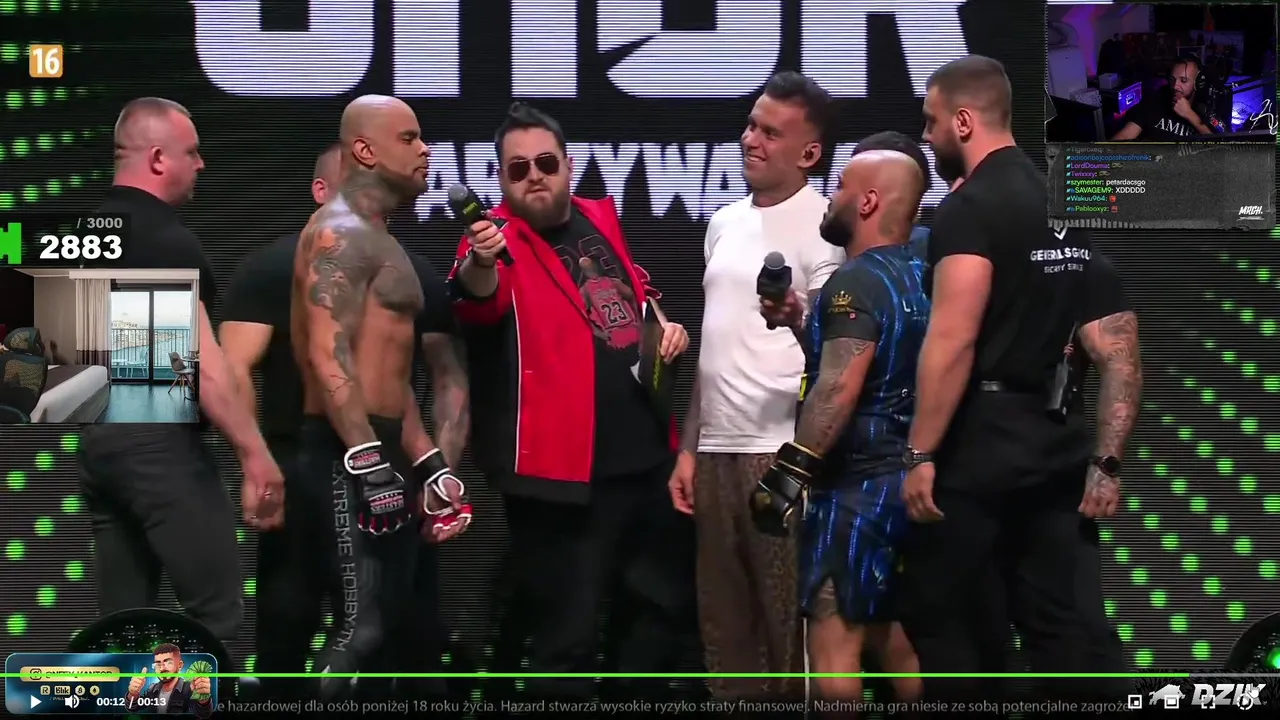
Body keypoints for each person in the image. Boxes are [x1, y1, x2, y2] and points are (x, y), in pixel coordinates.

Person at [899, 55, 1140, 702]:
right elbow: (1117, 347)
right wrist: (1106, 463)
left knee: (955, 633)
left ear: (963, 122)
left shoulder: (968, 209)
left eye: (931, 122)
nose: (927, 137)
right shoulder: (1062, 203)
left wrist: (920, 452)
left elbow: (953, 339)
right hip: (1056, 449)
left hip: (979, 453)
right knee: (1070, 636)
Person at [449, 102, 692, 702]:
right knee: (567, 638)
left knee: (656, 619)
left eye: (546, 162)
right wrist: (481, 258)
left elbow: (633, 291)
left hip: (646, 463)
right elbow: (477, 298)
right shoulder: (493, 241)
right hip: (562, 481)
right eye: (518, 168)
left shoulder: (597, 217)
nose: (534, 175)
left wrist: (664, 325)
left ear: (568, 165)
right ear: (501, 180)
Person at [219, 142, 469, 699]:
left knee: (380, 633)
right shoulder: (275, 267)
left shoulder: (411, 275)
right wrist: (256, 463)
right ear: (321, 191)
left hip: (384, 468)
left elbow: (420, 385)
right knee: (295, 628)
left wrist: (436, 475)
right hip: (304, 466)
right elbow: (233, 368)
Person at [78, 97, 284, 652]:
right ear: (158, 158)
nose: (201, 164)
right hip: (160, 447)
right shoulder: (165, 240)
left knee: (122, 631)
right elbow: (202, 369)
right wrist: (254, 454)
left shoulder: (82, 234)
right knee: (216, 616)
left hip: (100, 448)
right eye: (192, 152)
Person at [665, 71, 840, 700]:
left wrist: (796, 316)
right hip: (715, 451)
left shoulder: (828, 224)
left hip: (782, 453)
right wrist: (691, 447)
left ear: (809, 153)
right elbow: (715, 344)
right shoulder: (722, 222)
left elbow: (837, 353)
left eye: (770, 132)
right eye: (750, 125)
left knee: (785, 631)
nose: (750, 139)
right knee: (725, 631)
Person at [292, 95, 470, 698]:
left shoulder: (381, 239)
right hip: (345, 452)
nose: (426, 150)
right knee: (359, 631)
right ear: (365, 150)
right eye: (410, 138)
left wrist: (430, 464)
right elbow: (327, 353)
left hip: (381, 446)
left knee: (393, 627)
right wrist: (367, 462)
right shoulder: (338, 232)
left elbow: (388, 378)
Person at [757, 150, 928, 706]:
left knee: (834, 649)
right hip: (907, 482)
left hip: (854, 491)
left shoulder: (854, 278)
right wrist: (803, 321)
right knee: (890, 638)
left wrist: (786, 476)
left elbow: (838, 388)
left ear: (869, 201)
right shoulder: (924, 274)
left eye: (840, 187)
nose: (830, 198)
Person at [1110, 56, 1220, 140]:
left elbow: (1218, 146)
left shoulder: (1205, 109)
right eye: (1172, 79)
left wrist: (1189, 114)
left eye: (1183, 80)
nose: (1175, 86)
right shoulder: (1154, 101)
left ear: (1198, 83)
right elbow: (1125, 135)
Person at [125, 643, 214, 717]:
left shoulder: (189, 688)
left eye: (168, 663)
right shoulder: (152, 689)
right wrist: (133, 694)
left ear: (180, 665)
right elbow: (132, 708)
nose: (162, 668)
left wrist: (203, 699)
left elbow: (203, 713)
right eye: (158, 664)